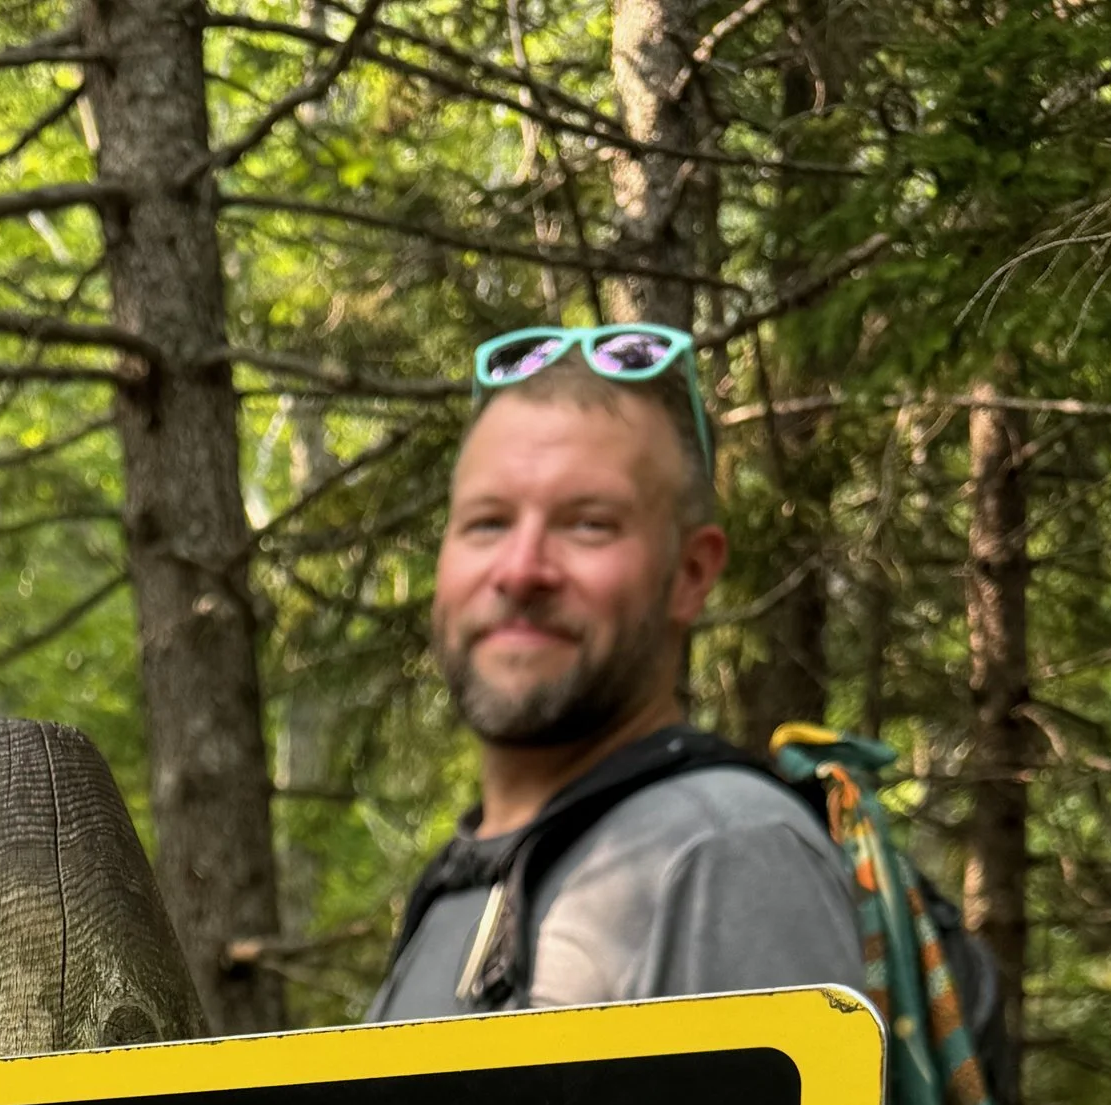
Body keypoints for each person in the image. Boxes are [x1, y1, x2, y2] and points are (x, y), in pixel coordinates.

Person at [370, 325, 864, 1024]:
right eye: (487, 523)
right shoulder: (456, 887)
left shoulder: (723, 855)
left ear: (691, 575)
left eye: (588, 524)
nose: (521, 570)